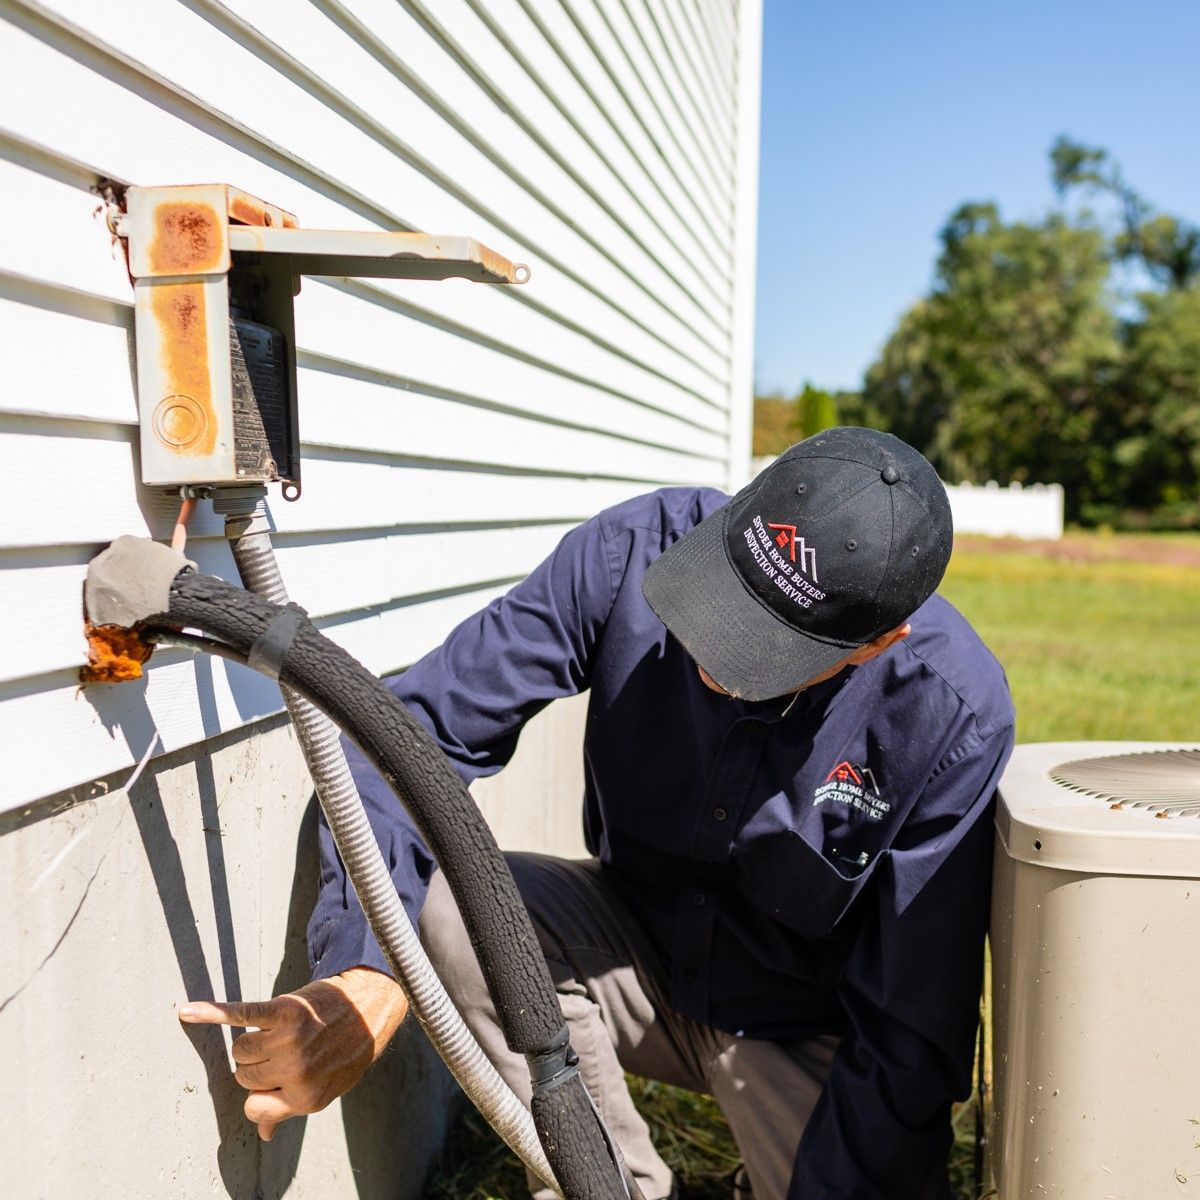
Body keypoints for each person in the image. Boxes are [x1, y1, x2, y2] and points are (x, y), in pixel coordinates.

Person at [180, 428, 1014, 1200]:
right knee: (458, 904)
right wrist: (360, 967)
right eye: (722, 604)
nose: (714, 662)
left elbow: (912, 1025)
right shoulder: (629, 551)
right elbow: (404, 740)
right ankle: (608, 1185)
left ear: (877, 644)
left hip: (804, 1025)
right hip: (637, 956)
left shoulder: (951, 716)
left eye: (765, 651)